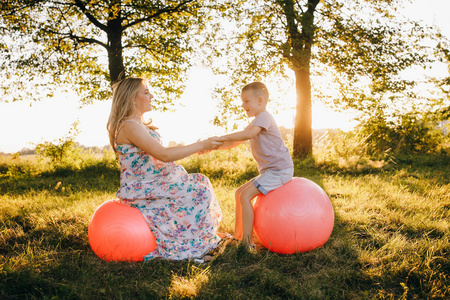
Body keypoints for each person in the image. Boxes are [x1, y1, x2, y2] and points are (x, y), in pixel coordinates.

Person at [106, 77, 225, 262]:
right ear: (131, 98)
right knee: (198, 193)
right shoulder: (128, 125)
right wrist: (200, 144)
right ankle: (189, 251)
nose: (151, 96)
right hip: (144, 188)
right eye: (146, 92)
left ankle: (200, 239)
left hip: (157, 181)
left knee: (201, 181)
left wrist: (199, 146)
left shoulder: (138, 125)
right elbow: (164, 154)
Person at [216, 82, 294, 249]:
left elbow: (249, 134)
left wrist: (222, 137)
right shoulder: (256, 122)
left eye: (246, 101)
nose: (242, 105)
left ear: (260, 100)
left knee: (245, 196)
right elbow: (237, 141)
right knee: (239, 193)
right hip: (270, 171)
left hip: (279, 171)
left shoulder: (264, 117)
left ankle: (247, 242)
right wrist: (213, 146)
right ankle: (238, 237)